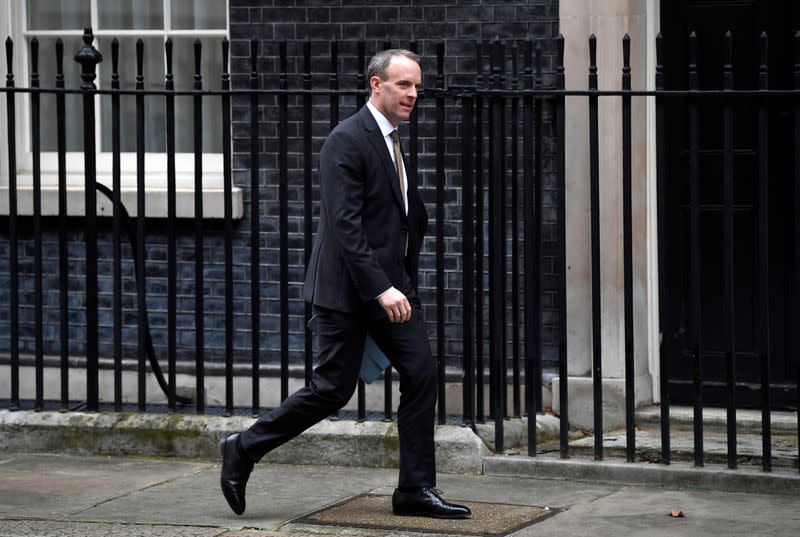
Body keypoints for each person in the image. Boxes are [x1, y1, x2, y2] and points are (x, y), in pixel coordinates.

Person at [219, 49, 471, 520]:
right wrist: (382, 288)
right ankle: (243, 447)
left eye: (417, 85)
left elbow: (396, 214)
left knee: (421, 374)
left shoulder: (393, 140)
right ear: (376, 85)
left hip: (393, 287)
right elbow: (346, 226)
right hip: (350, 291)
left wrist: (404, 269)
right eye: (403, 85)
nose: (413, 94)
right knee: (332, 390)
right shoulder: (346, 140)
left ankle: (414, 490)